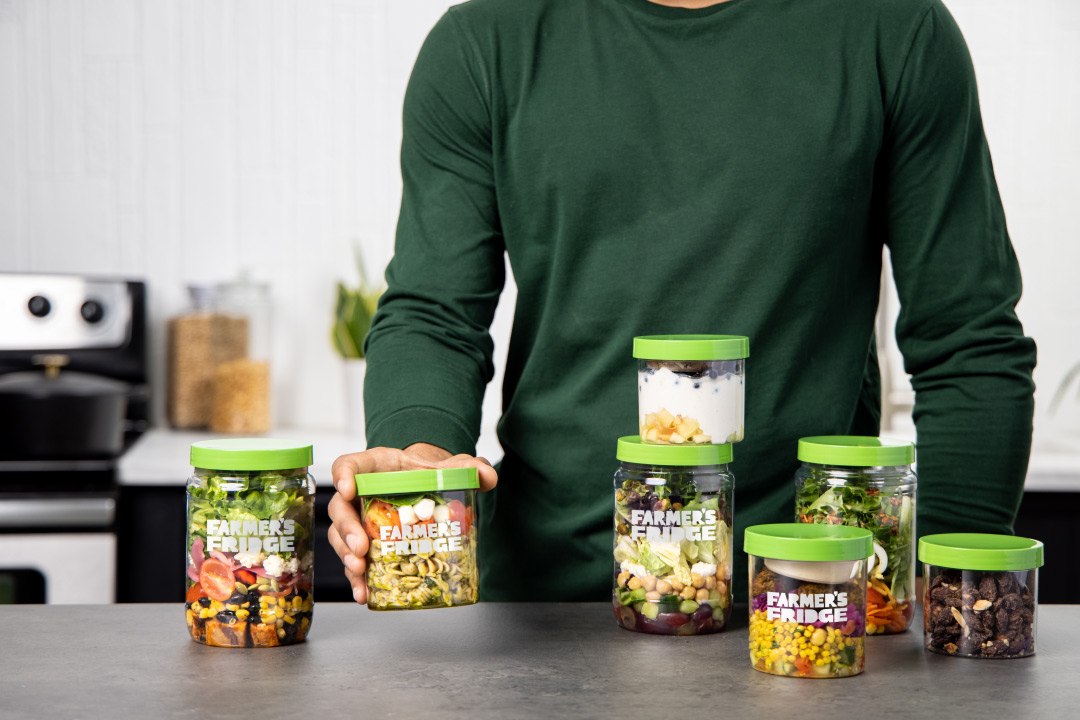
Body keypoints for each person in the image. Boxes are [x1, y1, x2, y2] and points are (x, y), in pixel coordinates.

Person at [328, 0, 1036, 605]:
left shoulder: (892, 28)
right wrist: (415, 444)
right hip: (541, 608)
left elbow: (968, 339)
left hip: (810, 599)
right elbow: (435, 312)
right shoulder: (485, 41)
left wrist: (953, 597)